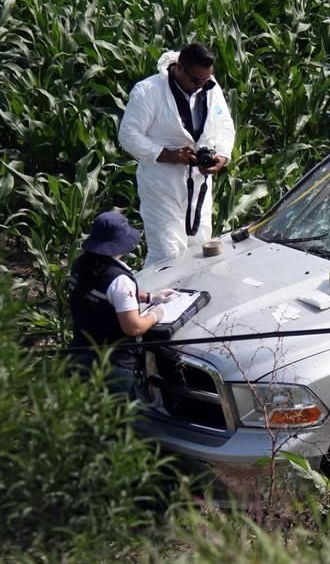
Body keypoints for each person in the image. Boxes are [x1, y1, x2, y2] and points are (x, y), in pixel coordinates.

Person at [118, 42, 236, 267]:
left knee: (200, 248)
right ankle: (153, 299)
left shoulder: (209, 86)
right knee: (167, 253)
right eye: (196, 81)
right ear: (179, 68)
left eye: (206, 80)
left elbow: (224, 125)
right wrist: (166, 154)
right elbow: (128, 135)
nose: (201, 86)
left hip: (199, 185)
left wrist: (222, 155)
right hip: (162, 185)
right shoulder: (149, 91)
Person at [68, 211, 177, 393]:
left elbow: (106, 295)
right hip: (113, 367)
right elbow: (133, 327)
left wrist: (149, 297)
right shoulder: (119, 280)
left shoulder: (81, 264)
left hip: (79, 355)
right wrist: (155, 315)